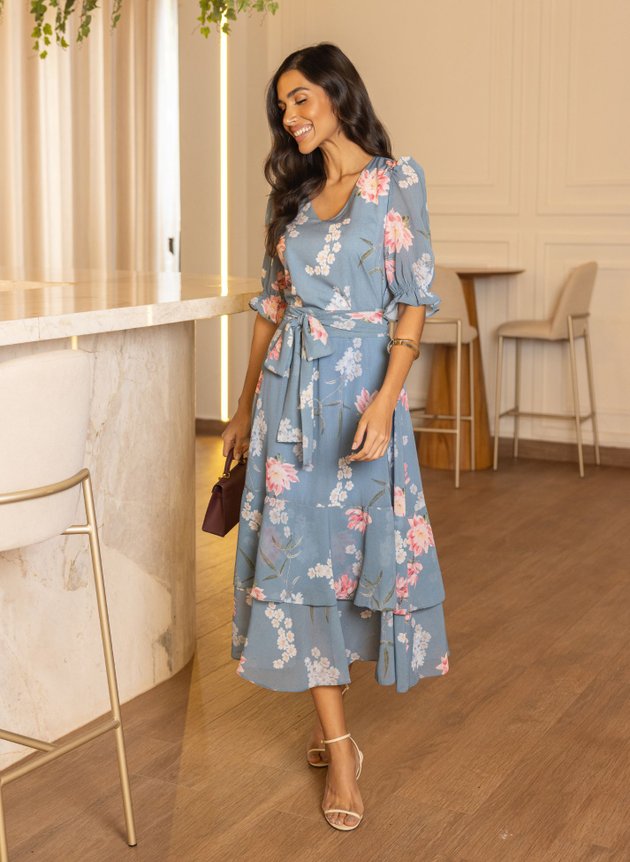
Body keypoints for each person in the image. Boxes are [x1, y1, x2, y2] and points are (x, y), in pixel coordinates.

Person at [221, 42, 450, 832]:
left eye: (301, 99)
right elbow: (271, 308)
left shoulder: (394, 183)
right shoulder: (290, 201)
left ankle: (331, 718)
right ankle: (340, 747)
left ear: (337, 93)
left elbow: (414, 299)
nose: (290, 117)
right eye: (282, 106)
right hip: (288, 402)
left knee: (350, 559)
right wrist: (243, 407)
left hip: (360, 399)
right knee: (299, 561)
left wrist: (387, 401)